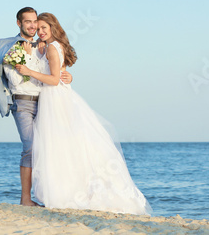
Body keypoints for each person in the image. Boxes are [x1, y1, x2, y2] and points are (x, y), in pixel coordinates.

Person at [15, 13, 152, 215]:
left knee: (59, 146)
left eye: (45, 27)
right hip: (56, 97)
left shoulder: (53, 48)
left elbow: (53, 79)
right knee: (67, 147)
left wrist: (29, 71)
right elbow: (58, 73)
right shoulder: (49, 47)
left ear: (53, 28)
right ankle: (70, 190)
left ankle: (67, 193)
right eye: (39, 27)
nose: (41, 31)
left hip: (55, 98)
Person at [0, 7, 72, 206]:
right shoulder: (7, 45)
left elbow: (54, 71)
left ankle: (51, 194)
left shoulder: (43, 45)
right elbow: (5, 77)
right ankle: (25, 199)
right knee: (30, 148)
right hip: (23, 102)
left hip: (45, 102)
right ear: (19, 23)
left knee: (48, 148)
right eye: (28, 22)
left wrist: (67, 76)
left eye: (35, 22)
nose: (33, 26)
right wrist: (2, 100)